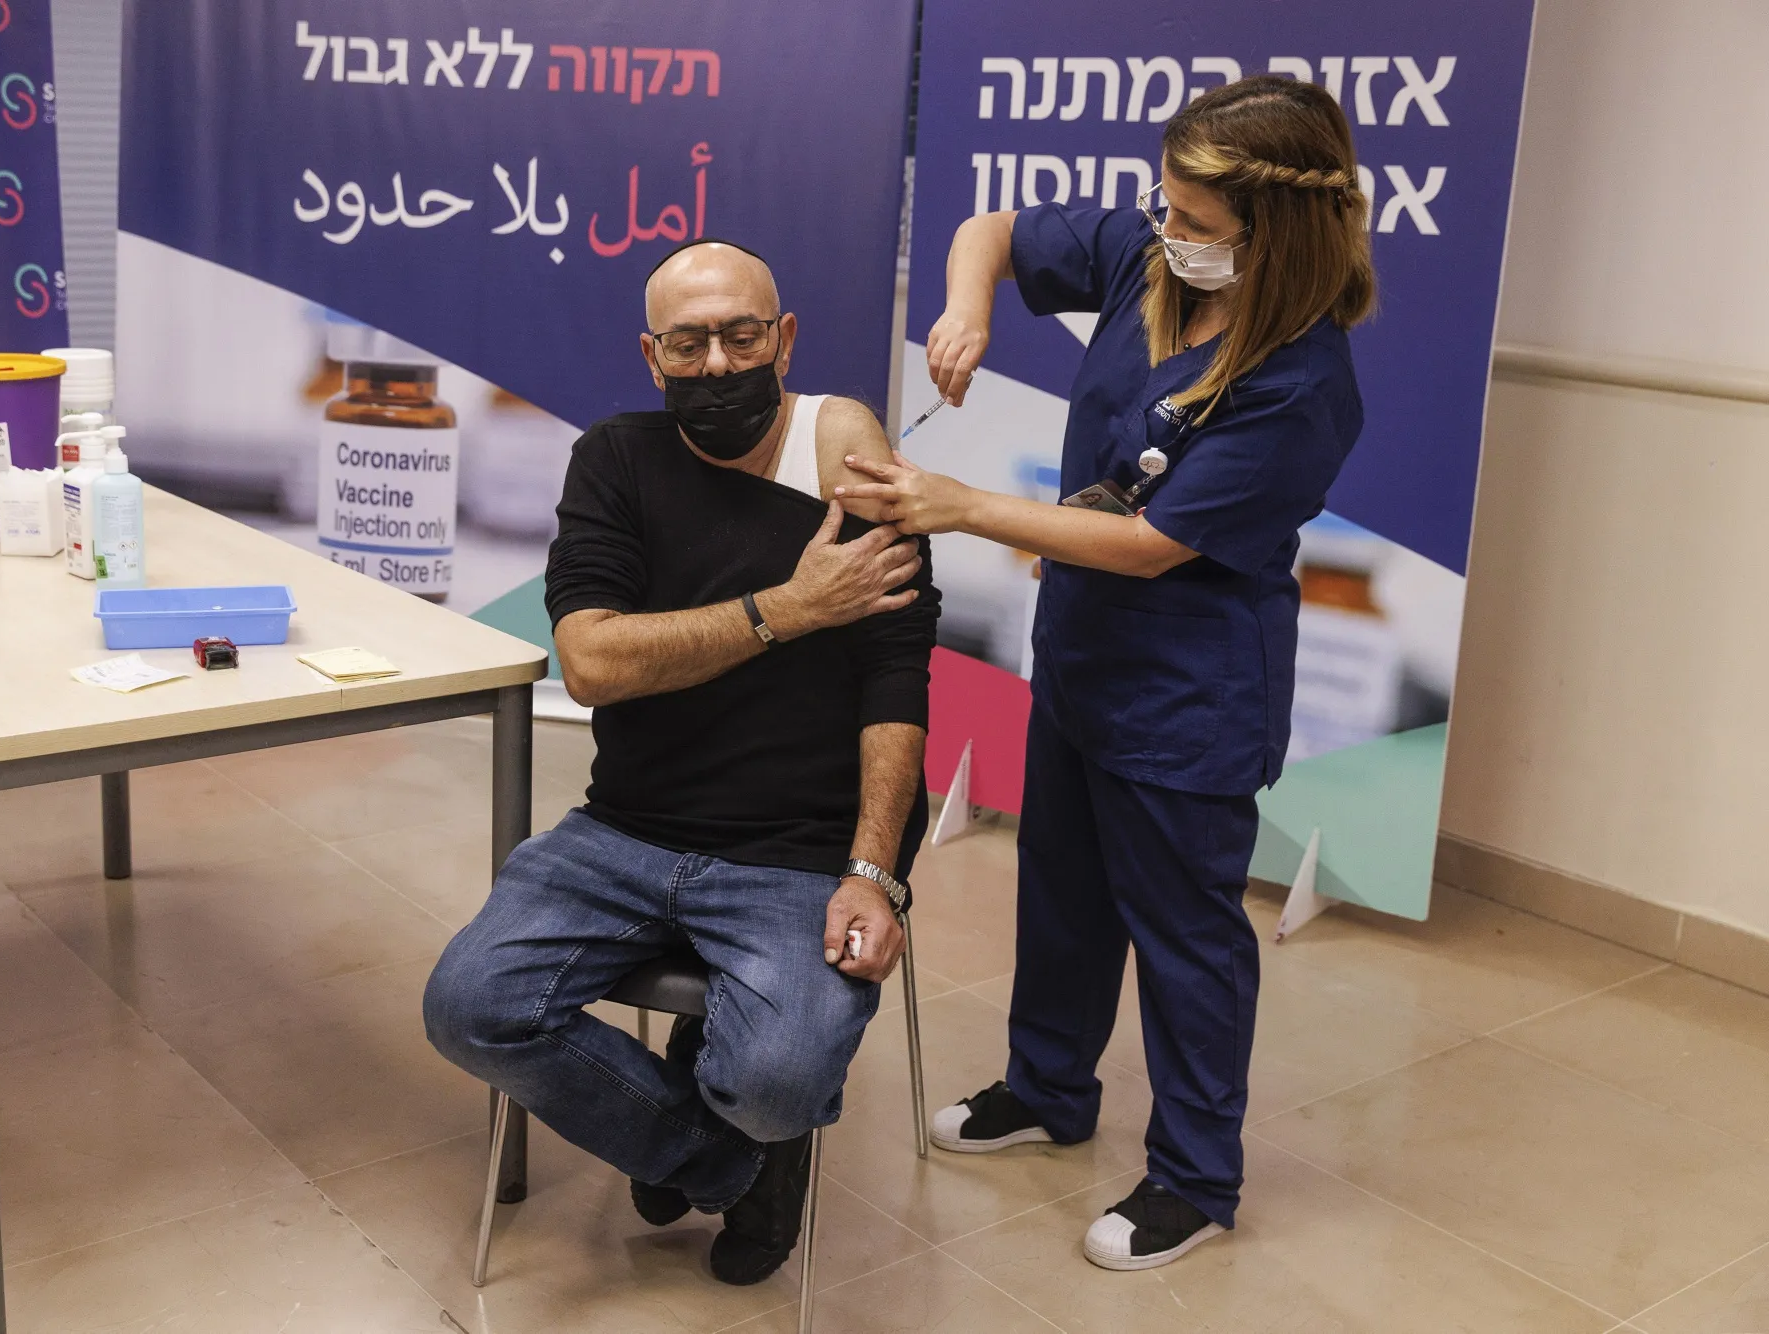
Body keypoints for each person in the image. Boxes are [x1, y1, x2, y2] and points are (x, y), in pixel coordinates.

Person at [837, 76, 1373, 1270]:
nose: (1166, 231)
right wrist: (968, 310)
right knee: (1062, 887)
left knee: (1184, 935)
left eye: (1194, 220)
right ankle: (1046, 1086)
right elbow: (993, 234)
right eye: (1164, 205)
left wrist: (965, 506)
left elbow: (1150, 541)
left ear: (1270, 235)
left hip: (1189, 692)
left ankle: (1192, 1174)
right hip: (1082, 652)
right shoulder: (1156, 254)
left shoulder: (1298, 385)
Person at [426, 238, 939, 1285]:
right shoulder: (615, 458)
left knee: (780, 1078)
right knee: (470, 1004)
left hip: (797, 852)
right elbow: (591, 661)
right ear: (650, 355)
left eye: (741, 335)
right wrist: (788, 610)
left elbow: (895, 688)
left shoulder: (848, 465)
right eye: (688, 341)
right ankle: (714, 1153)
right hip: (625, 828)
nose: (715, 364)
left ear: (783, 338)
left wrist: (875, 870)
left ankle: (734, 1113)